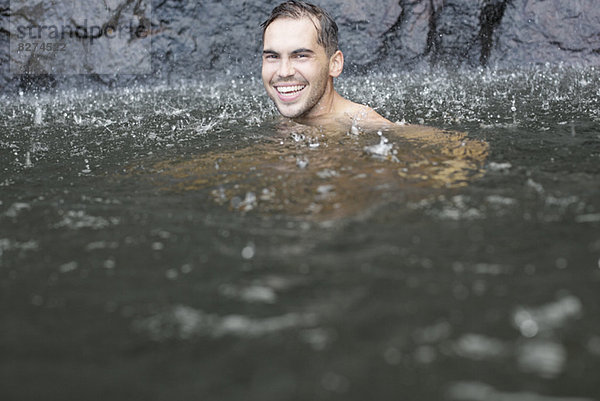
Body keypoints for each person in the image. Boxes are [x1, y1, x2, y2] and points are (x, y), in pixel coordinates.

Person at [261, 0, 391, 128]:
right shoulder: (283, 124)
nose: (284, 72)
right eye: (273, 56)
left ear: (334, 64)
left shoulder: (371, 128)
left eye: (301, 56)